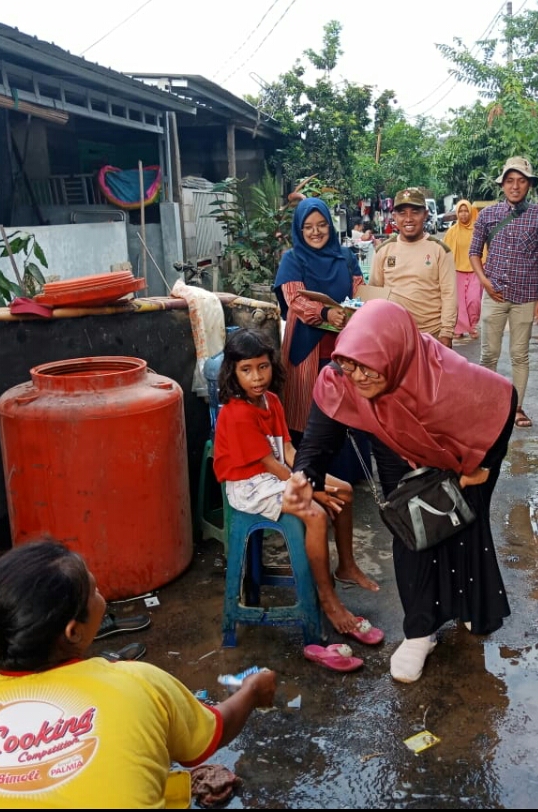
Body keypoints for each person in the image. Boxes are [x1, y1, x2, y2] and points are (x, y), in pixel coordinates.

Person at [0, 541, 277, 809]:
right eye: (93, 591)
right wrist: (252, 691)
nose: (102, 597)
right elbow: (210, 735)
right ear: (73, 632)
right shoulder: (137, 681)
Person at [281, 299, 516, 684]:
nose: (357, 376)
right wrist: (303, 476)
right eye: (349, 363)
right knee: (414, 535)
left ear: (395, 352)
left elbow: (501, 403)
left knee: (465, 523)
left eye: (366, 364)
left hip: (464, 454)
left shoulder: (445, 377)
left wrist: (485, 466)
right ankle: (421, 631)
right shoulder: (341, 377)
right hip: (394, 448)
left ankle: (471, 605)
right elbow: (319, 442)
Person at [212, 328, 382, 641]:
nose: (257, 377)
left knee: (343, 488)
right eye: (246, 370)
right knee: (315, 514)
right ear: (233, 374)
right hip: (250, 485)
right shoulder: (236, 414)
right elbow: (272, 466)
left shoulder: (272, 401)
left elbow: (289, 452)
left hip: (277, 475)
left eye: (262, 367)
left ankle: (345, 565)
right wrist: (311, 489)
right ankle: (328, 599)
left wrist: (309, 476)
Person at [469, 157, 538, 428]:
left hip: (526, 295)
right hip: (494, 294)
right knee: (488, 354)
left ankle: (517, 407)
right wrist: (484, 282)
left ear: (529, 184)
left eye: (521, 181)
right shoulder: (487, 215)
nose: (515, 186)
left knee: (520, 354)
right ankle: (485, 404)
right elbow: (474, 253)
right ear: (502, 184)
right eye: (510, 181)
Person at [273, 198, 364, 437]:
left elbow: (360, 292)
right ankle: (311, 471)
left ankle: (350, 472)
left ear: (330, 226)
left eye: (322, 224)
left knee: (348, 410)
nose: (316, 232)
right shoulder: (292, 259)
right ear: (299, 230)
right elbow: (295, 299)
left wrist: (353, 313)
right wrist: (325, 313)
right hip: (307, 350)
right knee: (310, 413)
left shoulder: (346, 257)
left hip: (346, 348)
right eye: (309, 226)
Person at [369, 187, 457, 347]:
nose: (408, 218)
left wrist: (446, 333)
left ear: (425, 214)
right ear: (394, 216)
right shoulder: (383, 250)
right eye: (402, 213)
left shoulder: (440, 250)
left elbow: (449, 295)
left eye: (415, 212)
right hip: (394, 336)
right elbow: (375, 294)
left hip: (432, 336)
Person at [443, 199, 483, 339]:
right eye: (460, 211)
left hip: (475, 270)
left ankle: (473, 326)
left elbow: (484, 250)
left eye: (466, 211)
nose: (463, 214)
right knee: (458, 302)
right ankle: (459, 328)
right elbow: (445, 252)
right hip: (457, 271)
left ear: (471, 212)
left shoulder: (478, 231)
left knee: (474, 300)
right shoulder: (452, 232)